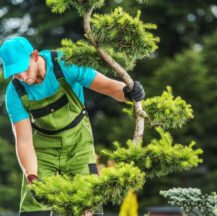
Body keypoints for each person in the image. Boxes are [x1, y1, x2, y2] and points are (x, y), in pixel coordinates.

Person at [0, 36, 145, 216]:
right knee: (34, 209)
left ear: (35, 56)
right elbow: (24, 141)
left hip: (78, 143)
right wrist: (31, 176)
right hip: (43, 150)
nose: (21, 76)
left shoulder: (64, 63)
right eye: (15, 73)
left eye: (23, 68)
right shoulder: (15, 93)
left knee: (88, 204)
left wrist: (127, 92)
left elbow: (107, 86)